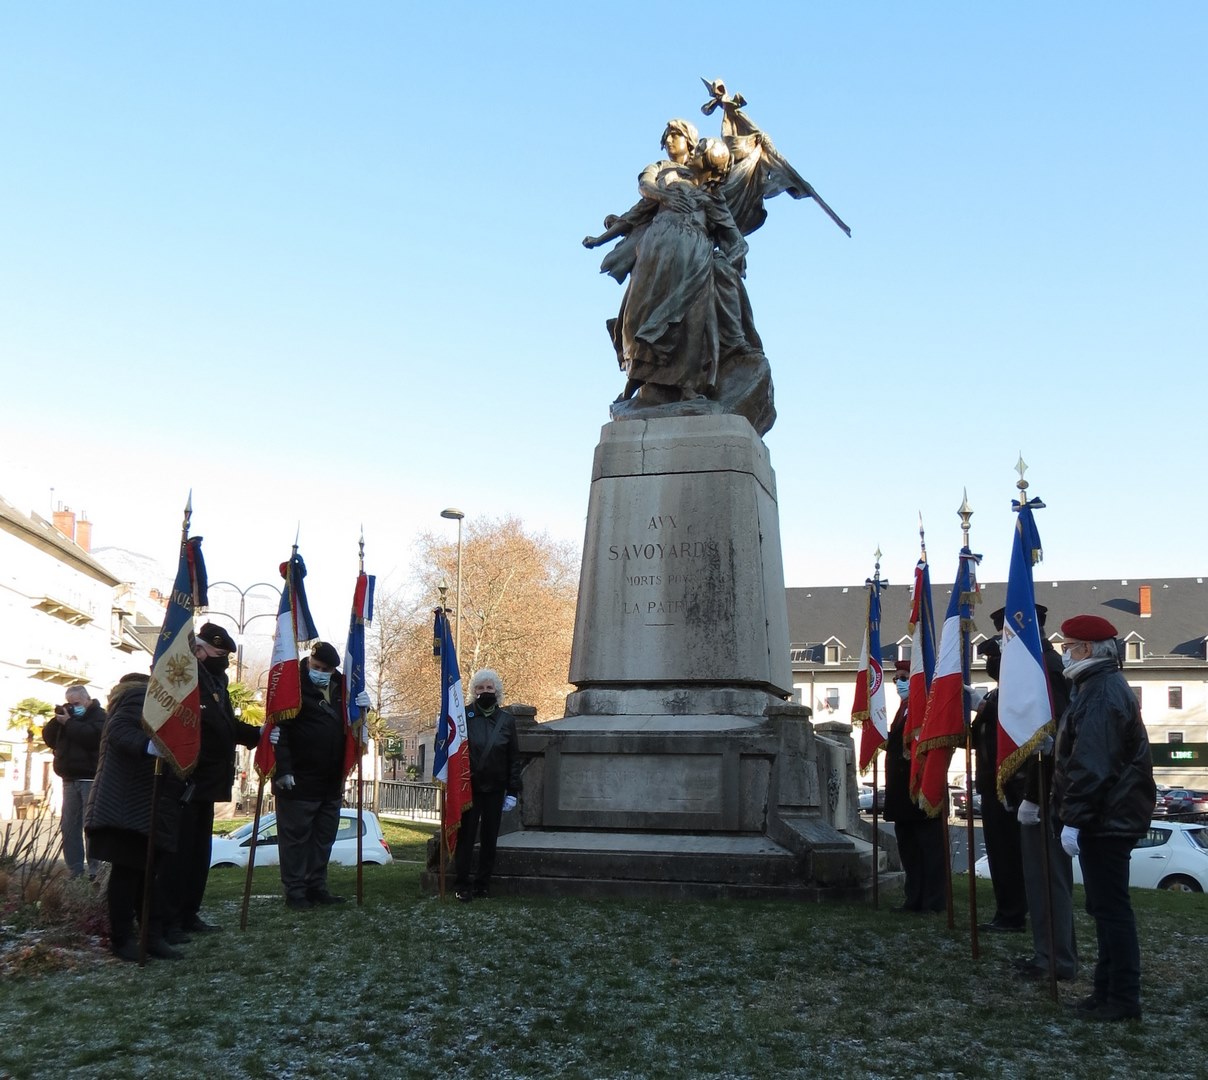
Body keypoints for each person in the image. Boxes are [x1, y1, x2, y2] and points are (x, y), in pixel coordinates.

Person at [584, 125, 752, 410]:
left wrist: (729, 259)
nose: (670, 141)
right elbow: (637, 209)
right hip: (654, 250)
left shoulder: (711, 196)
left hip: (692, 255)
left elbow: (734, 238)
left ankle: (687, 385)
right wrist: (601, 239)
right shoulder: (665, 176)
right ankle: (636, 379)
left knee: (688, 320)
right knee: (637, 314)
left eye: (676, 136)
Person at [1052, 614, 1156, 1022]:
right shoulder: (1096, 686)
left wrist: (1074, 818)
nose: (1065, 653)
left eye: (1069, 646)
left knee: (1112, 911)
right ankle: (1106, 991)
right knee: (1104, 908)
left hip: (1107, 817)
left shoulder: (1100, 692)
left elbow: (1093, 764)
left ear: (1087, 649)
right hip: (1108, 814)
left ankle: (1123, 998)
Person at [161, 622, 261, 940]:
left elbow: (225, 725)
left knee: (198, 855)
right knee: (179, 856)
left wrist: (257, 734)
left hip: (208, 784)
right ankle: (168, 920)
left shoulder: (216, 682)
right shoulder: (183, 678)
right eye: (220, 654)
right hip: (185, 781)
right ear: (199, 650)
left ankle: (189, 912)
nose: (225, 661)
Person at [84, 672, 185, 962]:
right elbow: (120, 731)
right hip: (126, 808)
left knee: (145, 876)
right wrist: (148, 745)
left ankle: (148, 937)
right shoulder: (138, 698)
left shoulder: (140, 700)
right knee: (129, 876)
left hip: (135, 806)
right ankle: (126, 939)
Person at [1002, 604, 1078, 982]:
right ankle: (1048, 953)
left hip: (1047, 792)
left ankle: (1056, 959)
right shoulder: (1040, 665)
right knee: (1040, 881)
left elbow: (1052, 738)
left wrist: (1033, 794)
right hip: (1039, 790)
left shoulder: (1045, 669)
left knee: (1048, 880)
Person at [272, 641, 367, 909]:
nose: (321, 673)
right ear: (309, 662)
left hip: (330, 780)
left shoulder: (343, 688)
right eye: (317, 667)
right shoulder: (293, 685)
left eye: (326, 669)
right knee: (296, 841)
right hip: (298, 780)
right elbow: (280, 731)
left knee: (323, 838)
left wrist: (362, 710)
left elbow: (348, 725)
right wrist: (284, 770)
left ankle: (316, 886)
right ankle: (295, 891)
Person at [970, 638, 1028, 933]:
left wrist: (982, 706)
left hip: (1009, 786)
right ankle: (1005, 910)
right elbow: (977, 738)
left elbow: (1014, 723)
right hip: (989, 784)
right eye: (987, 660)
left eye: (994, 659)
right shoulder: (995, 694)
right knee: (997, 853)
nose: (990, 665)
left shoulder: (1017, 692)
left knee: (1009, 854)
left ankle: (1014, 913)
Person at [454, 668, 522, 902]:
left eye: (489, 688)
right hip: (469, 788)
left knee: (490, 838)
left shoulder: (506, 721)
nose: (485, 691)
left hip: (495, 788)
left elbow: (513, 758)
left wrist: (512, 791)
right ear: (473, 691)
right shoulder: (463, 717)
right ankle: (462, 884)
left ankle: (483, 884)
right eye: (480, 688)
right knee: (466, 838)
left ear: (497, 691)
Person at [883, 659, 945, 913]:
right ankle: (914, 899)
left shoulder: (925, 708)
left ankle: (933, 901)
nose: (899, 683)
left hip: (921, 787)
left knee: (929, 849)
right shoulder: (903, 710)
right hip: (901, 792)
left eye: (904, 677)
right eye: (896, 678)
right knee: (909, 849)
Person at [41, 683, 106, 880]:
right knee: (69, 826)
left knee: (91, 826)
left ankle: (95, 870)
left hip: (91, 778)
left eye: (76, 703)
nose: (73, 707)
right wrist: (57, 720)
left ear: (87, 699)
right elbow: (50, 739)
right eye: (69, 703)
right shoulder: (68, 718)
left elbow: (91, 737)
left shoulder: (100, 716)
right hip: (69, 778)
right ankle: (75, 870)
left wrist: (69, 722)